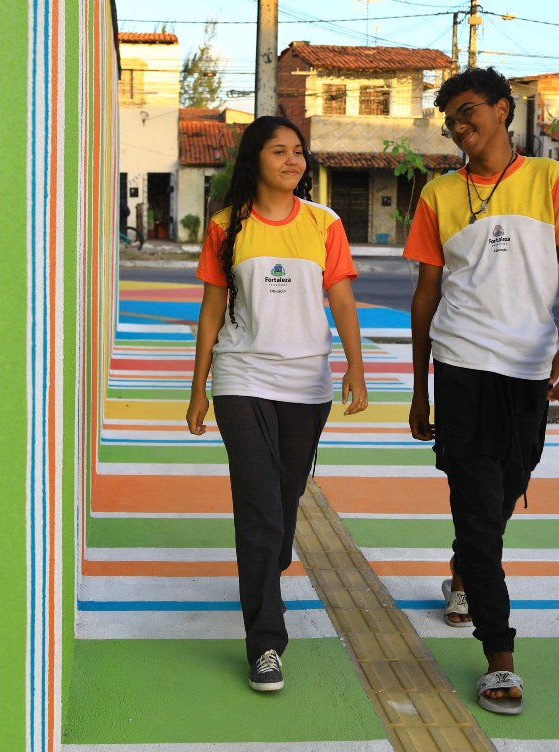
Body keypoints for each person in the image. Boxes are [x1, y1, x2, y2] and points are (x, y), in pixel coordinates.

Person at [403, 67, 559, 715]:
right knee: (479, 513)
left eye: (467, 112)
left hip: (529, 371)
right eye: (449, 119)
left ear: (503, 110)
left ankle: (463, 569)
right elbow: (425, 297)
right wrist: (420, 388)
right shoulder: (437, 194)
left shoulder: (549, 180)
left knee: (508, 489)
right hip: (460, 368)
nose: (459, 126)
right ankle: (499, 655)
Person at [186, 115, 368, 693]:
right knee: (260, 507)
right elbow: (213, 311)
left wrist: (356, 369)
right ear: (255, 160)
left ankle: (270, 554)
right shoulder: (224, 227)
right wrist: (198, 387)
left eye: (299, 153)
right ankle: (265, 641)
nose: (293, 161)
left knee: (284, 500)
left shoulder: (324, 223)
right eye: (279, 151)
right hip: (241, 376)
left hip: (306, 384)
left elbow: (340, 299)